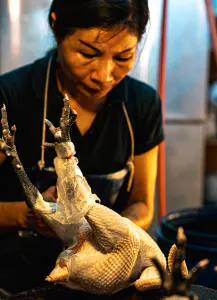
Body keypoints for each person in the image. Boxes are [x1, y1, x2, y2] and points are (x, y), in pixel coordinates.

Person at [0, 0, 164, 293]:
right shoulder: (11, 96)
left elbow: (143, 203)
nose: (104, 75)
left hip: (106, 280)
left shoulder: (141, 104)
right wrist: (28, 215)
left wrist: (113, 231)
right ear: (56, 26)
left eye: (124, 57)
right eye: (88, 53)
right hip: (15, 280)